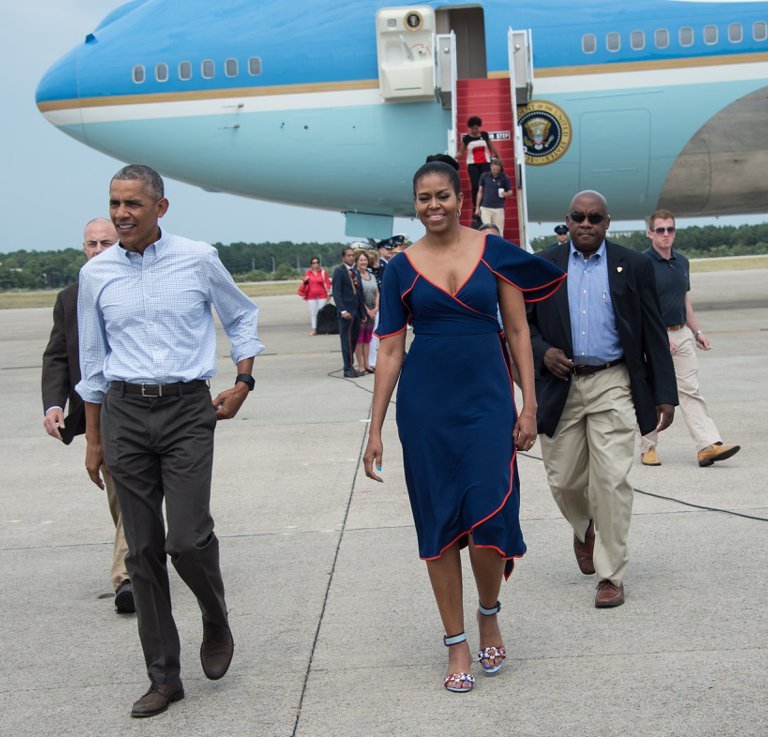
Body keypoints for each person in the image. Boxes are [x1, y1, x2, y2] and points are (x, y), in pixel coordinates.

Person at [363, 159, 565, 693]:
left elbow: (519, 332)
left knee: (488, 521)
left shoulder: (492, 252)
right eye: (424, 199)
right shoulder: (401, 267)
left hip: (487, 403)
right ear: (416, 204)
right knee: (438, 525)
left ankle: (488, 611)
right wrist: (375, 427)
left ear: (461, 199)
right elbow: (388, 350)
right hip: (426, 409)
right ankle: (455, 642)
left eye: (443, 197)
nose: (434, 207)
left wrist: (530, 405)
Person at [76, 165, 263, 718]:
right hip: (124, 412)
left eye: (132, 203)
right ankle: (164, 676)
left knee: (186, 538)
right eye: (114, 203)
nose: (121, 214)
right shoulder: (97, 274)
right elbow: (91, 362)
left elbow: (242, 315)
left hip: (187, 408)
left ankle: (214, 614)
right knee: (142, 551)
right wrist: (93, 439)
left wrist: (244, 382)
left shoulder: (198, 258)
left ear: (161, 206)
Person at [527, 190, 678, 609]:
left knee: (612, 480)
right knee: (564, 481)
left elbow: (652, 331)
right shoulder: (543, 265)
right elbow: (524, 324)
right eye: (578, 217)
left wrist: (665, 393)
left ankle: (610, 574)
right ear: (568, 220)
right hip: (561, 385)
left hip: (612, 380)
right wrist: (543, 351)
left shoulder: (634, 264)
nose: (586, 224)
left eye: (595, 217)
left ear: (607, 222)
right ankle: (584, 528)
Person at [41, 218, 134, 614]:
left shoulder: (135, 287)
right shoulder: (69, 297)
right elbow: (58, 355)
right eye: (91, 244)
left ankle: (127, 575)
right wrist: (53, 403)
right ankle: (137, 558)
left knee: (133, 488)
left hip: (139, 401)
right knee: (121, 493)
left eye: (105, 243)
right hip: (99, 408)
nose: (97, 250)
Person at [639, 209, 740, 468]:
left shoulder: (682, 262)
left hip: (681, 333)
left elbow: (684, 299)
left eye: (670, 229)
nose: (665, 235)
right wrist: (661, 336)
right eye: (660, 230)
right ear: (650, 232)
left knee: (691, 390)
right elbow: (643, 307)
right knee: (656, 392)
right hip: (654, 336)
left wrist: (697, 331)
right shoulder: (642, 264)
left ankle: (707, 446)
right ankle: (648, 446)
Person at [332, 246, 365, 378]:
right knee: (347, 342)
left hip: (356, 312)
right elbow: (337, 293)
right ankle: (348, 368)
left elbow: (359, 293)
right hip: (347, 313)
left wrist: (363, 313)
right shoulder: (339, 271)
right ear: (343, 257)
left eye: (353, 255)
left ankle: (351, 366)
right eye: (349, 255)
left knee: (353, 341)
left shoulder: (355, 272)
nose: (351, 257)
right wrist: (342, 310)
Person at [456, 116, 501, 208]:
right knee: (475, 185)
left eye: (476, 128)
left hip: (485, 163)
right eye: (473, 128)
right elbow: (461, 152)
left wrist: (498, 157)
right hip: (473, 165)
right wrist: (453, 157)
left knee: (485, 183)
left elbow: (491, 147)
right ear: (470, 128)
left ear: (479, 127)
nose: (475, 130)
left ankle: (486, 203)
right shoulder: (466, 139)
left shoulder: (484, 135)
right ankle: (475, 206)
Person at [353, 250, 379, 374]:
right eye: (361, 260)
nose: (364, 262)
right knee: (359, 339)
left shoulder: (371, 276)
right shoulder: (355, 276)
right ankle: (360, 364)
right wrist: (367, 310)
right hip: (362, 312)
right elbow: (358, 295)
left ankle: (368, 364)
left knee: (367, 339)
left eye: (365, 260)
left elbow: (377, 292)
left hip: (373, 311)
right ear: (357, 262)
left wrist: (376, 308)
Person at [475, 159, 512, 234]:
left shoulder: (504, 177)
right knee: (487, 229)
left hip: (498, 207)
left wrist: (505, 194)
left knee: (499, 230)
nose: (495, 171)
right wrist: (477, 207)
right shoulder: (485, 176)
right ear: (491, 167)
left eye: (497, 169)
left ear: (500, 169)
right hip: (485, 207)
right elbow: (480, 191)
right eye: (494, 169)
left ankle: (499, 245)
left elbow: (510, 192)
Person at [298, 256, 331, 335]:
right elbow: (304, 283)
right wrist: (305, 281)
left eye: (317, 262)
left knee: (322, 312)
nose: (316, 264)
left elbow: (328, 283)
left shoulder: (323, 273)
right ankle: (315, 329)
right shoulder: (308, 273)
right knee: (314, 313)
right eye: (314, 263)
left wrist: (329, 294)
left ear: (319, 264)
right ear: (311, 265)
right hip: (311, 296)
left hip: (322, 295)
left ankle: (323, 328)